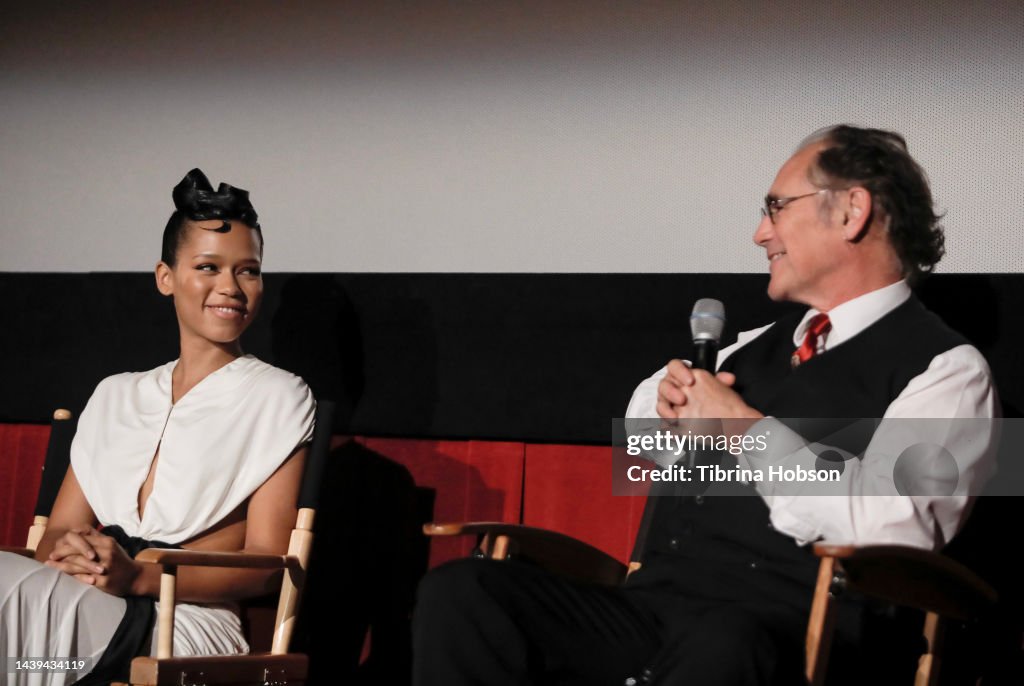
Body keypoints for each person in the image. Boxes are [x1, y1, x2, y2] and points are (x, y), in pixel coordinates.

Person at [412, 125, 999, 685]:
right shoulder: (755, 344)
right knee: (467, 593)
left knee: (725, 643)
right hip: (658, 612)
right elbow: (638, 453)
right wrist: (661, 410)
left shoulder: (948, 371)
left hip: (796, 637)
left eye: (776, 208)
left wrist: (743, 429)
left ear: (851, 211)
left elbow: (899, 530)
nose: (760, 234)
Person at [0, 169, 315, 685]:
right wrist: (77, 555)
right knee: (20, 636)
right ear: (165, 277)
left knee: (26, 637)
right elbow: (55, 532)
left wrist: (137, 575)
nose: (230, 288)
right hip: (82, 605)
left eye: (249, 271)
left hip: (179, 623)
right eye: (208, 267)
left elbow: (265, 564)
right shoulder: (116, 394)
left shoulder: (278, 396)